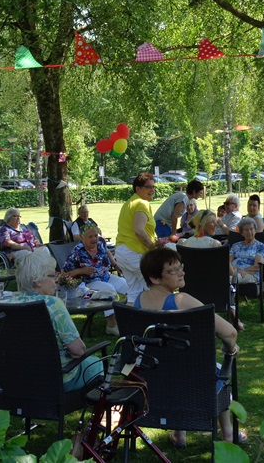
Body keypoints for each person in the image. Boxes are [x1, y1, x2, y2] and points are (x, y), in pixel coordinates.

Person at [136, 247, 239, 446]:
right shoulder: (182, 300)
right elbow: (230, 332)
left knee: (174, 360)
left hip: (153, 378)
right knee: (220, 371)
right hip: (194, 379)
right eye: (173, 270)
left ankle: (179, 434)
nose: (182, 272)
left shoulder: (139, 301)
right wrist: (231, 349)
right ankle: (227, 433)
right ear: (155, 278)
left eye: (180, 266)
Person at [13, 250, 103, 392]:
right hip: (57, 378)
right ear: (37, 281)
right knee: (96, 363)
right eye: (51, 275)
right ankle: (96, 408)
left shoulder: (7, 303)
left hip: (19, 378)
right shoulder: (53, 305)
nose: (56, 279)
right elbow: (78, 351)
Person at [61, 221, 127, 336]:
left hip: (106, 276)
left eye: (95, 235)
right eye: (90, 236)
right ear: (82, 237)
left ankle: (125, 318)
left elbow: (107, 252)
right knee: (108, 290)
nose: (94, 239)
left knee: (126, 285)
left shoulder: (100, 243)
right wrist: (81, 271)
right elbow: (64, 274)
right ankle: (111, 325)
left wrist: (116, 265)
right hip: (88, 283)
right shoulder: (77, 252)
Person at [115, 173, 158, 304]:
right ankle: (156, 321)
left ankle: (130, 323)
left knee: (134, 293)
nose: (152, 190)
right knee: (154, 289)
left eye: (153, 187)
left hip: (122, 252)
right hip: (134, 252)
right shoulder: (141, 204)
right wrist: (153, 248)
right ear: (138, 189)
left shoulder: (129, 203)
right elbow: (139, 230)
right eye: (148, 187)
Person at [229, 217, 264, 283]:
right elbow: (227, 262)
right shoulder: (236, 246)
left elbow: (257, 267)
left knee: (229, 279)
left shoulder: (260, 246)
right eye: (246, 230)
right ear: (242, 233)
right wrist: (237, 270)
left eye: (251, 229)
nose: (249, 232)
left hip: (250, 274)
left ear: (255, 230)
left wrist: (243, 271)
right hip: (233, 272)